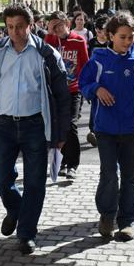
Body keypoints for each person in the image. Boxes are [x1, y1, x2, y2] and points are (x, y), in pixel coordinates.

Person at [0, 4, 71, 255]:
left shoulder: (46, 54)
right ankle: (16, 210)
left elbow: (62, 97)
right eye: (9, 27)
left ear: (30, 25)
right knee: (2, 180)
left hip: (35, 126)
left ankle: (27, 233)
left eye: (19, 27)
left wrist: (61, 134)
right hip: (4, 125)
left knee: (35, 182)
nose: (14, 32)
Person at [79, 12, 134, 241]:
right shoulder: (98, 60)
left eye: (131, 37)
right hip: (104, 130)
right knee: (109, 175)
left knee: (130, 177)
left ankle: (127, 222)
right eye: (122, 37)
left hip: (130, 130)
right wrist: (96, 89)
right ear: (110, 36)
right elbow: (83, 82)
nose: (127, 41)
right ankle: (107, 216)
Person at [45, 11, 89, 181]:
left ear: (67, 24)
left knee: (71, 125)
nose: (57, 29)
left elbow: (85, 65)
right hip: (56, 91)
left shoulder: (78, 41)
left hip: (73, 89)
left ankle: (73, 164)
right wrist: (49, 32)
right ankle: (62, 161)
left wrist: (85, 88)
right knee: (59, 126)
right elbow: (43, 55)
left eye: (59, 25)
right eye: (53, 26)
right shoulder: (51, 41)